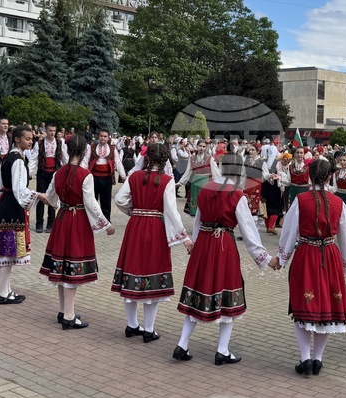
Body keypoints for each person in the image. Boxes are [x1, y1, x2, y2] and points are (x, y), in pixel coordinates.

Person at [172, 152, 271, 364]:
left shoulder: (206, 188)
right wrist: (265, 258)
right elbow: (249, 231)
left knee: (196, 293)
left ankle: (182, 344)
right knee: (228, 297)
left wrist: (195, 244)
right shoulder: (237, 194)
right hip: (223, 245)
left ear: (221, 166)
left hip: (204, 246)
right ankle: (222, 350)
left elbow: (198, 221)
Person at [269, 158, 346, 376]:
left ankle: (305, 358)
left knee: (303, 305)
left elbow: (289, 231)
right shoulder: (339, 203)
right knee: (326, 305)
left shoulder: (301, 200)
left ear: (309, 176)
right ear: (329, 177)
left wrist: (282, 258)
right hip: (330, 255)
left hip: (306, 254)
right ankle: (317, 358)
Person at [113, 143, 192, 341]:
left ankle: (132, 325)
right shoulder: (166, 180)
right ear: (165, 160)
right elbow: (172, 212)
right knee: (152, 275)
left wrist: (134, 211)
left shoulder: (135, 176)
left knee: (132, 272)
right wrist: (185, 238)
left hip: (135, 227)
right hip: (155, 228)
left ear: (147, 158)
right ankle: (148, 330)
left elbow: (120, 200)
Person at [40, 134, 115, 329]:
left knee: (60, 267)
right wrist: (106, 225)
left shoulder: (58, 173)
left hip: (62, 218)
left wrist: (60, 203)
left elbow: (50, 198)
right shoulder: (85, 175)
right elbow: (91, 204)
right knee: (72, 269)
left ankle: (64, 310)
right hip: (77, 221)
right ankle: (69, 316)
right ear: (84, 152)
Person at [0, 124, 49, 305]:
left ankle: (5, 290)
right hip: (12, 206)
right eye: (27, 138)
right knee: (8, 251)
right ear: (16, 139)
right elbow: (19, 189)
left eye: (31, 139)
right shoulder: (17, 160)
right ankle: (2, 292)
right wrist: (38, 195)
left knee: (9, 251)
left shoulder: (10, 158)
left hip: (6, 204)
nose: (30, 141)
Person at [82, 129, 124, 222]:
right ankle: (92, 220)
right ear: (98, 137)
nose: (103, 138)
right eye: (101, 136)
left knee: (106, 200)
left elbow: (117, 162)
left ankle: (106, 221)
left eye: (105, 136)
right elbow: (85, 160)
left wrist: (123, 176)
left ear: (108, 138)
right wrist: (81, 174)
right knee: (93, 199)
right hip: (94, 177)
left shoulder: (113, 148)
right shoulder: (92, 147)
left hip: (107, 177)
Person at [31, 124, 65, 233]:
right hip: (42, 172)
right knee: (40, 197)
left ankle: (51, 224)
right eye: (50, 130)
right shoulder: (39, 144)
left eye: (54, 130)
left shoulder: (60, 143)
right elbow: (33, 159)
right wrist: (29, 173)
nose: (52, 133)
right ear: (45, 131)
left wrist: (68, 172)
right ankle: (39, 224)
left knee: (53, 197)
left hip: (54, 173)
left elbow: (65, 159)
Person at [179, 140, 219, 217]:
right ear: (196, 146)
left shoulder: (210, 158)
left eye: (204, 146)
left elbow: (215, 172)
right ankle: (196, 226)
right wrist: (180, 182)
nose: (202, 148)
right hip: (195, 183)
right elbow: (188, 171)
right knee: (195, 202)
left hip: (206, 182)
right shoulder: (192, 158)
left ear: (206, 147)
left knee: (205, 205)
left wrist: (217, 184)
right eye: (200, 146)